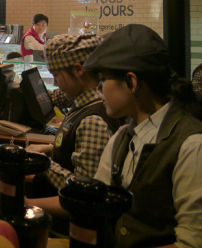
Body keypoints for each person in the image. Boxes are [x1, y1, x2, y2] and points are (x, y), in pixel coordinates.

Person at [85, 24, 202, 248]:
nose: (100, 89)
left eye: (104, 79)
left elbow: (192, 243)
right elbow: (96, 200)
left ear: (132, 82)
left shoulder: (191, 145)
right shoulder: (122, 136)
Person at [24, 33, 120, 220]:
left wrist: (43, 162)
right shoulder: (83, 105)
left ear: (78, 70)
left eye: (56, 75)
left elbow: (85, 194)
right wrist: (51, 149)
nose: (55, 82)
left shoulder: (92, 121)